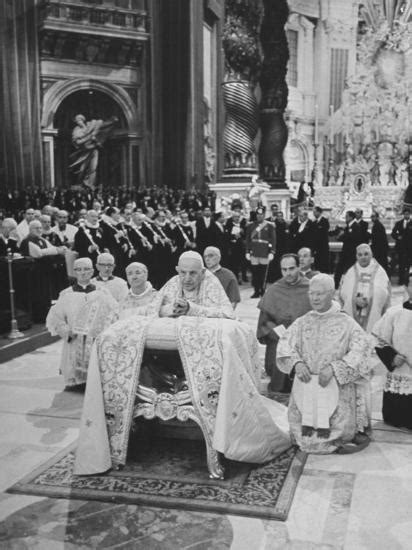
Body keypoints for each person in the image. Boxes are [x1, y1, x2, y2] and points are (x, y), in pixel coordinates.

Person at [74, 251, 291, 475]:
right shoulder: (172, 283)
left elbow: (227, 314)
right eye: (183, 273)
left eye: (193, 273)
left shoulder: (212, 283)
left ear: (202, 272)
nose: (187, 278)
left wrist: (192, 309)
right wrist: (170, 310)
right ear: (177, 270)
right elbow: (154, 310)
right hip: (167, 352)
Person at [277, 274, 373, 454]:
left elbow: (363, 350)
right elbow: (285, 344)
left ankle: (335, 436)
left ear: (332, 293)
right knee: (302, 431)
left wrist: (335, 368)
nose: (314, 298)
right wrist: (297, 363)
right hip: (305, 385)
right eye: (311, 293)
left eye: (319, 294)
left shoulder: (346, 322)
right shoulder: (303, 320)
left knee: (334, 428)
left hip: (334, 387)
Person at [46, 257, 118, 390]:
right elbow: (56, 318)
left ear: (92, 271)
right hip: (75, 339)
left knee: (96, 374)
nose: (83, 273)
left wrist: (103, 331)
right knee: (76, 377)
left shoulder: (102, 292)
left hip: (95, 339)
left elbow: (114, 313)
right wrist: (66, 331)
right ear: (74, 272)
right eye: (79, 270)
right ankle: (77, 383)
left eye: (86, 269)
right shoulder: (66, 294)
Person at [257, 254, 311, 393]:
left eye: (292, 268)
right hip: (279, 338)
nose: (288, 273)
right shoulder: (275, 289)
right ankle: (278, 392)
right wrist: (278, 333)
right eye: (284, 269)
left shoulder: (311, 288)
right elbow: (264, 321)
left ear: (299, 267)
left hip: (305, 338)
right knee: (277, 355)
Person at [373, 269, 412, 429]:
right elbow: (379, 339)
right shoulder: (394, 313)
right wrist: (391, 358)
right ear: (406, 287)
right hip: (400, 373)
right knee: (397, 420)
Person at [339, 244, 390, 332]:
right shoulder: (351, 272)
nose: (363, 257)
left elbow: (383, 292)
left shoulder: (379, 272)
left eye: (366, 254)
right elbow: (344, 292)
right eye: (360, 255)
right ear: (356, 256)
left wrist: (369, 299)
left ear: (371, 255)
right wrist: (354, 299)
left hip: (372, 314)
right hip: (354, 311)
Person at [70, 113, 118, 189]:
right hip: (83, 152)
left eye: (79, 120)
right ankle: (79, 183)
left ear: (83, 120)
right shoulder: (76, 130)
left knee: (93, 168)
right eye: (77, 121)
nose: (78, 122)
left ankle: (89, 184)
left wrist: (111, 121)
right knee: (81, 169)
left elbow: (101, 126)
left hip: (93, 150)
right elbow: (77, 142)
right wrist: (89, 137)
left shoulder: (90, 126)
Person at [245, 207, 276, 298]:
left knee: (263, 273)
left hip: (265, 252)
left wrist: (272, 252)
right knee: (255, 273)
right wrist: (247, 251)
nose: (259, 216)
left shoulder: (269, 226)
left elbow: (273, 240)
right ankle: (256, 291)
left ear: (264, 215)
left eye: (261, 215)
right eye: (258, 215)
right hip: (254, 252)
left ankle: (262, 290)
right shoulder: (251, 226)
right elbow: (248, 239)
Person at [334, 210, 363, 287]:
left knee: (350, 269)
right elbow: (345, 236)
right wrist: (340, 236)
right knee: (339, 267)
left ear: (351, 217)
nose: (345, 218)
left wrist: (342, 236)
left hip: (351, 252)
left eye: (346, 216)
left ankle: (350, 284)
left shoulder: (356, 226)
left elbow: (352, 238)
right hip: (345, 251)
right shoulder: (348, 226)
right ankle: (336, 283)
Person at [391, 209, 412, 285]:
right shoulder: (399, 223)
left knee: (408, 265)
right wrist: (398, 237)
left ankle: (406, 280)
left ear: (410, 214)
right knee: (401, 265)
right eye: (405, 214)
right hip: (400, 248)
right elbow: (393, 233)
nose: (406, 215)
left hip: (409, 249)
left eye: (408, 214)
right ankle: (401, 280)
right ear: (403, 214)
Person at [312, 206, 330, 273]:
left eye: (315, 212)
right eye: (313, 212)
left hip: (323, 247)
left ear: (319, 212)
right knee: (317, 264)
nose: (314, 214)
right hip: (316, 248)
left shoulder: (324, 221)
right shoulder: (314, 222)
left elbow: (324, 233)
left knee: (324, 264)